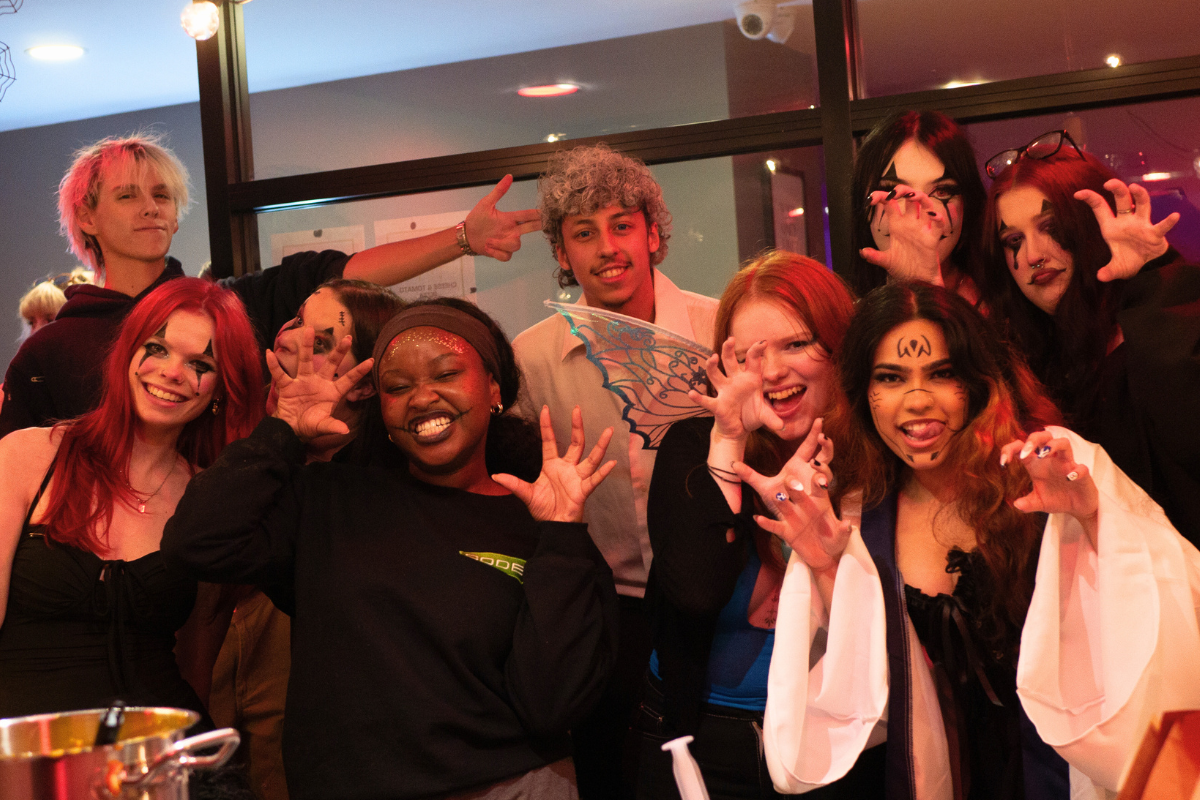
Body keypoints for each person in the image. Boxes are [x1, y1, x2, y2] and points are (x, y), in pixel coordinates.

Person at [754, 283, 1200, 798]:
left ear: (980, 380)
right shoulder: (854, 513)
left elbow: (1173, 605)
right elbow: (855, 706)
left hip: (1065, 775)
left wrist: (1096, 522)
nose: (918, 401)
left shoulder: (1057, 466)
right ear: (862, 392)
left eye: (941, 374)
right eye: (891, 378)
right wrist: (829, 571)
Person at [162, 299, 621, 799]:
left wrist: (561, 535)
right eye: (398, 387)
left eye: (445, 374)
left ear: (493, 387)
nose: (422, 398)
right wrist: (283, 431)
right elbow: (197, 541)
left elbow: (552, 704)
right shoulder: (331, 501)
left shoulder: (541, 524)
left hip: (509, 786)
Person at [0, 132, 540, 437]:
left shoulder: (233, 306)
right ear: (86, 218)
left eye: (161, 196)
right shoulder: (51, 351)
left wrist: (464, 237)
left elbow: (349, 276)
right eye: (127, 196)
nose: (149, 208)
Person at [634, 251, 885, 799]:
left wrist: (817, 556)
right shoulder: (693, 445)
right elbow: (696, 594)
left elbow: (885, 638)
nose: (772, 371)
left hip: (836, 744)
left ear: (841, 345)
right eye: (751, 353)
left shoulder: (878, 454)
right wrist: (728, 441)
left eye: (796, 344)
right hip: (699, 743)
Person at [512, 142, 719, 798]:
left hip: (720, 600)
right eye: (583, 233)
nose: (607, 247)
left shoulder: (724, 328)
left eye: (622, 225)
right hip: (608, 615)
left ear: (653, 234)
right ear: (561, 253)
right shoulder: (531, 358)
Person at [0, 277, 263, 720]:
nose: (172, 373)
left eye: (200, 363)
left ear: (220, 390)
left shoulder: (208, 500)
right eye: (157, 348)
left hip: (156, 756)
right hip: (31, 755)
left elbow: (197, 669)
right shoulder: (27, 456)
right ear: (127, 352)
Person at [210, 278, 403, 800]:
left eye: (321, 342)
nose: (289, 339)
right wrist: (281, 431)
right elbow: (199, 541)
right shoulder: (263, 421)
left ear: (364, 382)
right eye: (295, 320)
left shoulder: (372, 490)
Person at [978, 139, 1197, 547]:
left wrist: (1153, 273)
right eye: (1014, 241)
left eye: (1051, 228)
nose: (1033, 255)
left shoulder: (1166, 314)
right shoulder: (1028, 365)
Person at [848, 111, 987, 302]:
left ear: (967, 206)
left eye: (942, 192)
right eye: (892, 191)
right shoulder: (843, 321)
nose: (917, 211)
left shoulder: (1006, 316)